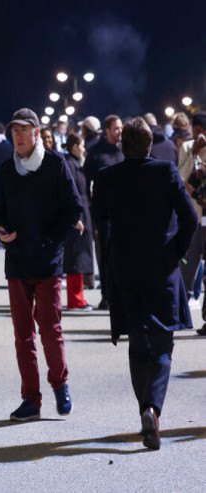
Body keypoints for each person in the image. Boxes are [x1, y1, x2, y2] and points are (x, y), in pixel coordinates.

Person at [91, 117, 197, 450]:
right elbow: (190, 218)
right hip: (162, 266)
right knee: (163, 343)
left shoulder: (107, 177)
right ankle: (152, 407)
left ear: (122, 146)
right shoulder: (165, 172)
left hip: (125, 268)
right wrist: (177, 252)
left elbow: (97, 218)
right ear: (150, 145)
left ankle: (144, 413)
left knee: (138, 342)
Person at [0, 108, 82, 421]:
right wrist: (1, 230)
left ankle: (60, 385)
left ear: (36, 132)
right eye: (13, 131)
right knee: (23, 335)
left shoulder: (56, 165)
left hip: (46, 262)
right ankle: (31, 398)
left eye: (22, 130)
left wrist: (51, 241)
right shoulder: (6, 170)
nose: (17, 136)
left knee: (50, 330)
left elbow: (74, 209)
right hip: (17, 261)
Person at [84, 114, 124, 310]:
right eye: (116, 129)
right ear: (107, 130)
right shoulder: (96, 153)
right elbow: (85, 184)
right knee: (106, 256)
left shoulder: (125, 150)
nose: (120, 132)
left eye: (121, 128)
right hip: (105, 216)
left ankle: (122, 294)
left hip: (125, 215)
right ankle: (107, 296)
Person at [176, 112, 206, 308]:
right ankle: (180, 306)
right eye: (195, 131)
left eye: (202, 130)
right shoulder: (187, 147)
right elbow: (181, 178)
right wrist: (194, 153)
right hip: (193, 216)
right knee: (187, 263)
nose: (199, 135)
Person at [62, 134, 94, 310]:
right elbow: (71, 192)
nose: (84, 149)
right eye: (81, 145)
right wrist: (77, 218)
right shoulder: (70, 164)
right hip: (78, 213)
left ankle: (78, 297)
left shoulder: (75, 163)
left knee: (81, 256)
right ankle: (75, 299)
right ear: (74, 146)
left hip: (83, 210)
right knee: (75, 256)